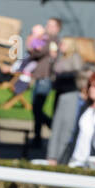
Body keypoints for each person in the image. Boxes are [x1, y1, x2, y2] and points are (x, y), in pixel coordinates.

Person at [29, 16, 62, 147]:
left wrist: (36, 42)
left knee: (37, 107)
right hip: (38, 77)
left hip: (46, 77)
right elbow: (34, 53)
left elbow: (39, 51)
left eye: (52, 26)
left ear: (58, 28)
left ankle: (50, 126)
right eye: (47, 25)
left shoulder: (54, 41)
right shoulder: (44, 39)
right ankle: (37, 136)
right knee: (35, 108)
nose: (48, 28)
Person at [68, 70, 95, 167]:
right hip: (76, 157)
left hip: (93, 159)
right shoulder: (85, 108)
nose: (92, 89)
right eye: (90, 85)